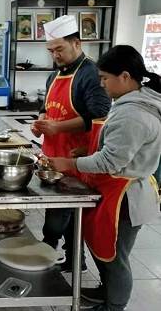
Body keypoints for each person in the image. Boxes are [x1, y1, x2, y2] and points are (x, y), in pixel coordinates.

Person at [48, 45, 161, 311]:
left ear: (124, 76)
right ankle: (106, 291)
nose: (101, 84)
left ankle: (115, 304)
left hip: (125, 197)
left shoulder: (133, 113)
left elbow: (112, 161)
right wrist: (91, 150)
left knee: (115, 258)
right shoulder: (132, 102)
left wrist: (69, 162)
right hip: (116, 189)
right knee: (106, 251)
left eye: (104, 79)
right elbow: (122, 149)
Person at [31, 15, 111, 272]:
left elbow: (97, 116)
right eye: (51, 50)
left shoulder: (90, 73)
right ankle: (75, 259)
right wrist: (42, 121)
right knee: (64, 210)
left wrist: (57, 127)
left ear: (77, 43)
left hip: (76, 156)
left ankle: (50, 253)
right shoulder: (55, 75)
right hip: (53, 153)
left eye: (59, 49)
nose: (55, 55)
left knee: (63, 212)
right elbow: (46, 106)